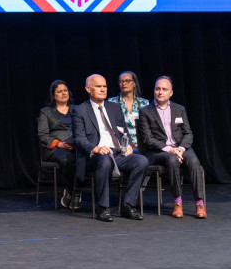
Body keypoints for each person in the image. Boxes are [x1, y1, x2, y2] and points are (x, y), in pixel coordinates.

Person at [72, 74, 148, 222]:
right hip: (94, 156)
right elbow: (79, 139)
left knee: (142, 161)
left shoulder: (114, 107)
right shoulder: (79, 110)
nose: (102, 89)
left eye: (104, 86)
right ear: (88, 89)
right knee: (105, 160)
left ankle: (128, 204)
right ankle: (103, 207)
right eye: (98, 86)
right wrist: (96, 148)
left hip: (117, 153)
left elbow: (124, 131)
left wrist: (130, 146)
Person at [138, 76, 206, 218]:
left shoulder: (179, 109)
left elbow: (188, 134)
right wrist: (170, 150)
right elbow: (148, 139)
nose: (160, 92)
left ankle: (199, 203)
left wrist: (180, 149)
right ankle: (177, 202)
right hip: (159, 151)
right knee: (172, 160)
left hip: (180, 148)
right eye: (157, 89)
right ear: (154, 91)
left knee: (194, 161)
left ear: (171, 93)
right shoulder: (145, 111)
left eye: (164, 89)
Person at [37, 80, 79, 209]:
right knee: (68, 159)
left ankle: (77, 191)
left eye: (65, 90)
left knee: (90, 158)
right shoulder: (46, 112)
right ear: (53, 96)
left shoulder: (77, 109)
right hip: (55, 149)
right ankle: (73, 191)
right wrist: (59, 144)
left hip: (76, 146)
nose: (63, 93)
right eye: (59, 91)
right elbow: (42, 135)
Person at [108, 71, 150, 147]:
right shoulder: (112, 102)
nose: (124, 84)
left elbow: (147, 128)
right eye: (121, 81)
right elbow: (111, 128)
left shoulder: (144, 103)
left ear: (134, 83)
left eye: (127, 81)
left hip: (142, 144)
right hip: (121, 144)